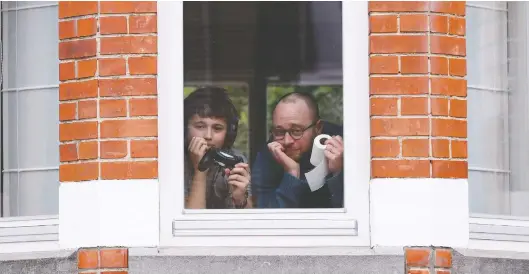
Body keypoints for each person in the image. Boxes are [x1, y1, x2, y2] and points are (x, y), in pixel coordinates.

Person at [251, 91, 344, 208]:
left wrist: (338, 173)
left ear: (318, 128)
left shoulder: (339, 146)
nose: (287, 141)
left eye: (296, 131)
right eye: (279, 132)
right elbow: (268, 217)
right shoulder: (268, 155)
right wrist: (291, 174)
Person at [184, 86, 251, 209]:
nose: (208, 136)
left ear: (228, 133)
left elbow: (250, 222)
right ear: (184, 130)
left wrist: (240, 198)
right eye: (200, 126)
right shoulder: (174, 166)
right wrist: (200, 171)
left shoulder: (235, 161)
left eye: (217, 128)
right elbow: (193, 224)